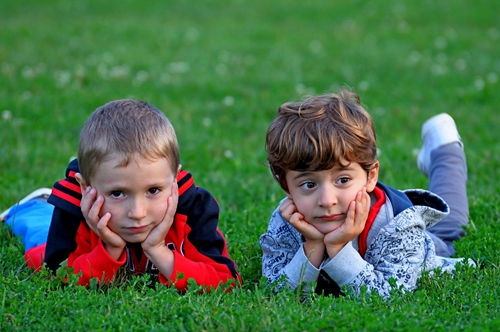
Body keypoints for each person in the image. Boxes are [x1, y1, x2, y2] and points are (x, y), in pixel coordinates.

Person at [2, 99, 241, 291]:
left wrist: (159, 251)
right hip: (53, 233)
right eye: (117, 193)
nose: (137, 213)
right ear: (86, 188)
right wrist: (109, 248)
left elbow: (226, 281)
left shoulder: (194, 209)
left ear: (174, 181)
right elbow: (57, 277)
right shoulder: (75, 207)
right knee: (37, 245)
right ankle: (32, 207)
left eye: (153, 190)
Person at [260, 89, 472, 299]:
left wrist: (338, 247)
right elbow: (277, 292)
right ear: (286, 187)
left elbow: (387, 295)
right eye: (308, 184)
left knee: (451, 227)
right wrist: (312, 246)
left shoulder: (400, 226)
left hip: (420, 245)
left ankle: (444, 145)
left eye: (343, 180)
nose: (327, 200)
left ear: (371, 176)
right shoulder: (286, 220)